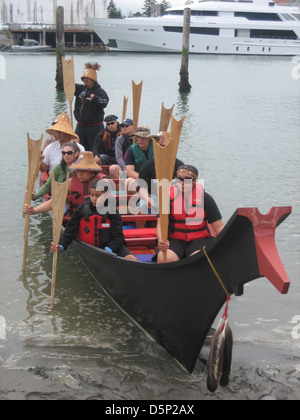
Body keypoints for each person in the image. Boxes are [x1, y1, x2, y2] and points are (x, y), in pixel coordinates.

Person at [50, 179, 137, 261]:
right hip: (91, 248)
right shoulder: (82, 209)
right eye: (92, 195)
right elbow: (69, 231)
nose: (94, 198)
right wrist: (61, 246)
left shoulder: (112, 211)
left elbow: (118, 236)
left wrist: (108, 250)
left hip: (111, 247)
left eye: (98, 196)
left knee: (133, 259)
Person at [157, 165, 224, 264]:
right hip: (174, 239)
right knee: (164, 259)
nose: (182, 182)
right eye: (179, 179)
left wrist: (229, 244)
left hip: (199, 240)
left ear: (195, 181)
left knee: (199, 259)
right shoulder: (167, 197)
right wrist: (161, 240)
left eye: (187, 179)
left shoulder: (206, 199)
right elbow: (161, 224)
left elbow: (219, 227)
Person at [24, 152, 106, 220]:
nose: (79, 174)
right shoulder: (70, 183)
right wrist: (34, 211)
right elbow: (54, 201)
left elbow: (111, 208)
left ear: (92, 171)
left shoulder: (102, 183)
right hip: (75, 219)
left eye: (83, 171)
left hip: (96, 219)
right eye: (77, 170)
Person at [138, 131, 184, 214]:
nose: (164, 150)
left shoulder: (180, 166)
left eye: (166, 147)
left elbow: (186, 187)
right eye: (161, 147)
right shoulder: (148, 165)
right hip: (154, 197)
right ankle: (141, 227)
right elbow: (142, 188)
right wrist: (147, 198)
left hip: (174, 198)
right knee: (142, 206)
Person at [74, 62, 109, 152]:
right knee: (77, 149)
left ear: (93, 80)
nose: (85, 80)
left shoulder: (100, 91)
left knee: (94, 150)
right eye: (84, 79)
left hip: (94, 128)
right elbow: (66, 85)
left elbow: (105, 101)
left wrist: (93, 97)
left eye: (88, 79)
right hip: (80, 126)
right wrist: (66, 69)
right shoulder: (80, 89)